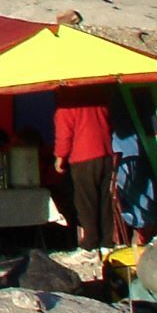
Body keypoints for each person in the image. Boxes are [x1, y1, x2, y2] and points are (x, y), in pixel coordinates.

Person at [54, 90, 117, 248]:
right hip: (106, 154)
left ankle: (90, 240)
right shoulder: (98, 101)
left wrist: (60, 157)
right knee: (106, 200)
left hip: (83, 157)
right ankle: (107, 239)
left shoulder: (65, 109)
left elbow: (64, 135)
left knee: (85, 201)